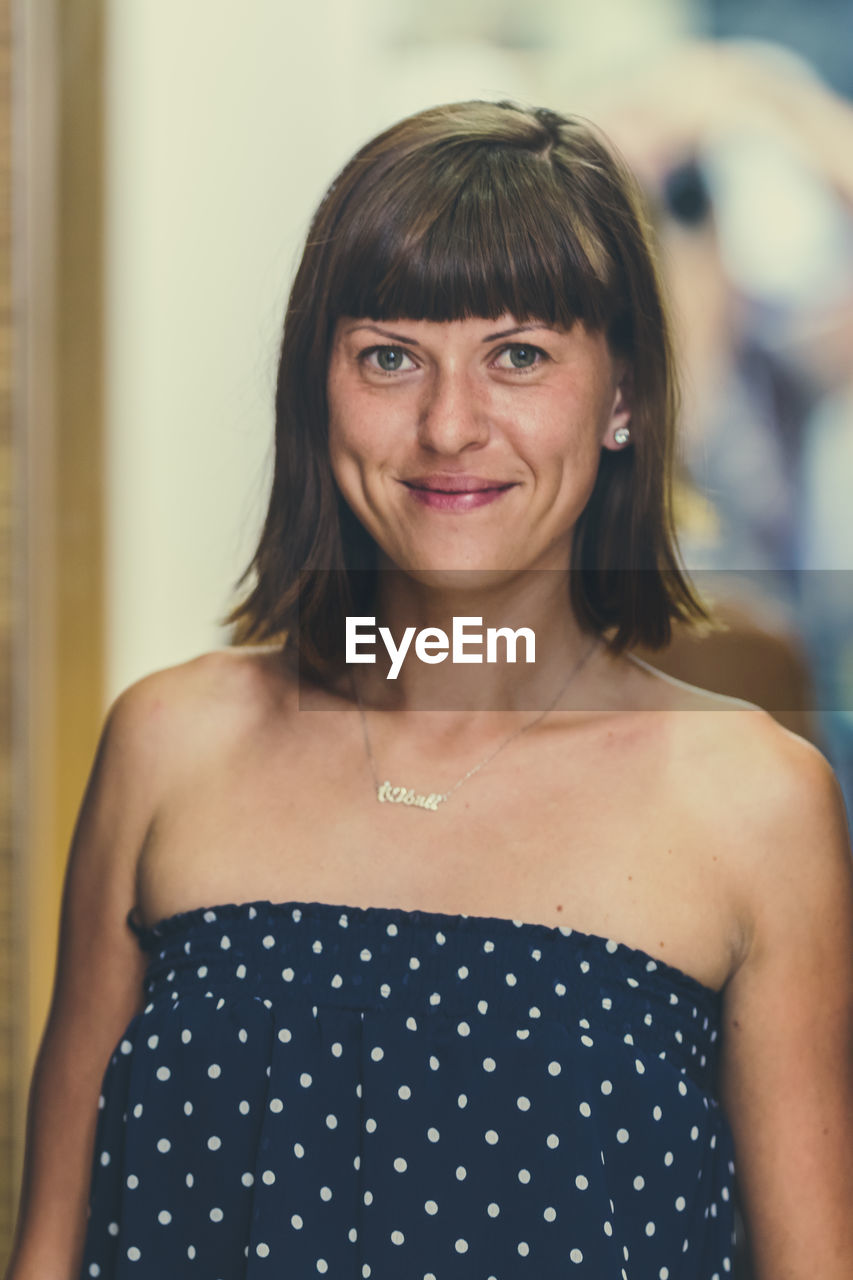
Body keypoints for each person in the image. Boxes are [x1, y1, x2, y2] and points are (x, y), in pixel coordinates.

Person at [6, 100, 853, 1280]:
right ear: (322, 387)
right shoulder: (168, 742)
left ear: (622, 399)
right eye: (390, 355)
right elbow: (47, 1254)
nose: (450, 425)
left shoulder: (756, 803)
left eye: (519, 354)